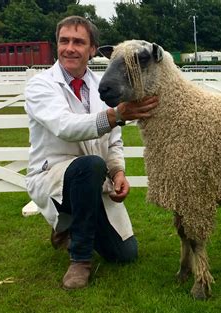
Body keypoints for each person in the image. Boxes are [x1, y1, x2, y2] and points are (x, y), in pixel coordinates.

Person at [24, 16, 159, 290]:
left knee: (126, 254)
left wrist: (118, 171)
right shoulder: (41, 86)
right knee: (90, 165)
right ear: (57, 45)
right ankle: (80, 259)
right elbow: (64, 127)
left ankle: (69, 224)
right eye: (64, 41)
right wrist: (115, 115)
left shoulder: (102, 87)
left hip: (94, 178)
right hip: (55, 175)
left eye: (78, 42)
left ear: (93, 49)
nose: (70, 48)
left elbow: (114, 140)